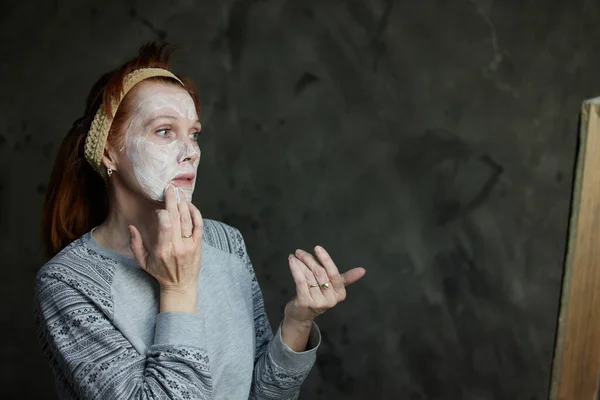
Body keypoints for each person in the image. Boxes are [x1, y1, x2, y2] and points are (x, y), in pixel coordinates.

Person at [33, 42, 366, 400]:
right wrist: (177, 289)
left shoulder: (225, 242)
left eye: (194, 134)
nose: (191, 151)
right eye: (164, 131)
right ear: (108, 152)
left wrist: (298, 321)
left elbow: (264, 396)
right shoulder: (68, 282)